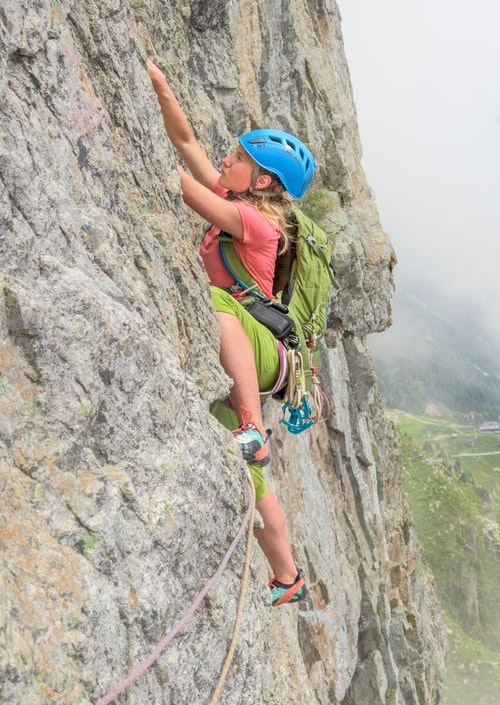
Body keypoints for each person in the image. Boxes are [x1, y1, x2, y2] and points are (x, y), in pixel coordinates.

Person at [148, 58, 313, 606]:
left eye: (240, 157)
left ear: (263, 180)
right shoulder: (240, 199)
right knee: (249, 473)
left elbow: (188, 187)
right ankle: (288, 577)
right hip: (246, 345)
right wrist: (157, 84)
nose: (227, 157)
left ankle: (252, 425)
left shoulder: (258, 222)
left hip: (261, 351)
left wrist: (129, 139)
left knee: (216, 299)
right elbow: (188, 142)